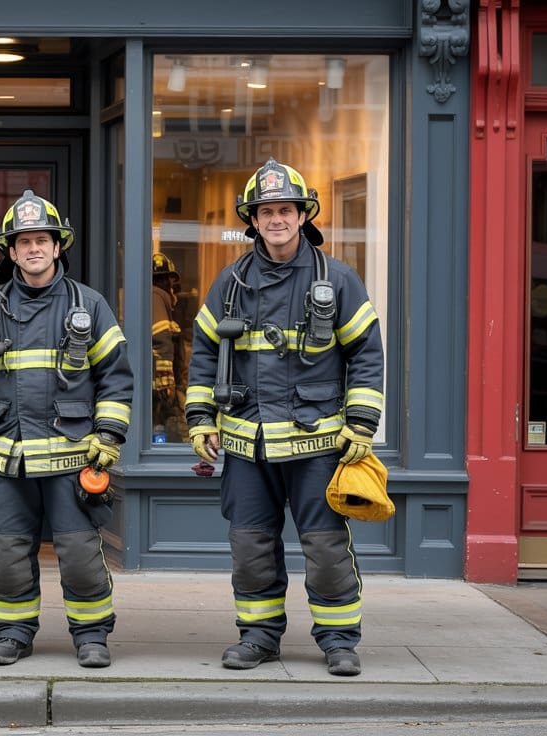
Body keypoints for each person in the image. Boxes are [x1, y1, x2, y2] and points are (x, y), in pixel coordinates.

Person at [185, 158, 384, 677]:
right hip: (248, 445)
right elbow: (205, 354)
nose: (276, 219)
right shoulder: (229, 284)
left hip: (317, 444)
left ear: (302, 215)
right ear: (252, 219)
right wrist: (201, 418)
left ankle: (339, 640)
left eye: (285, 210)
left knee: (325, 549)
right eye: (266, 211)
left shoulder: (337, 279)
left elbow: (366, 353)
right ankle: (258, 638)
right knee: (250, 547)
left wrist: (360, 423)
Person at [0, 190, 133, 668]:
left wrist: (109, 436)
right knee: (8, 555)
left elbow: (116, 376)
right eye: (23, 241)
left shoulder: (88, 306)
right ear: (11, 251)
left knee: (79, 554)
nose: (33, 249)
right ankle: (12, 634)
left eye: (42, 240)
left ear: (58, 247)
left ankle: (91, 635)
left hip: (73, 460)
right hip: (8, 459)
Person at [151, 252, 188, 442]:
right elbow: (161, 338)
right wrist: (167, 381)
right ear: (166, 282)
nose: (176, 292)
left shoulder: (156, 300)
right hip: (159, 386)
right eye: (174, 286)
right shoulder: (157, 296)